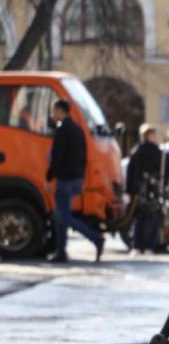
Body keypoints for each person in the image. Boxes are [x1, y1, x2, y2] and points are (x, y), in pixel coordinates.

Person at [46, 99, 104, 262]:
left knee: (63, 217)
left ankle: (95, 238)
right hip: (76, 178)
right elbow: (84, 156)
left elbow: (58, 157)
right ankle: (61, 251)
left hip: (65, 178)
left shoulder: (63, 130)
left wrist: (49, 177)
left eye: (54, 111)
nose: (52, 115)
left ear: (60, 111)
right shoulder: (78, 130)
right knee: (61, 216)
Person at [125, 124, 165, 254]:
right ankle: (143, 245)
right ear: (146, 136)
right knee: (145, 219)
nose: (154, 137)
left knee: (145, 219)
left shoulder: (139, 150)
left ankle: (142, 245)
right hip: (145, 191)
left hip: (145, 191)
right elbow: (132, 171)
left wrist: (129, 190)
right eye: (152, 135)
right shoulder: (148, 151)